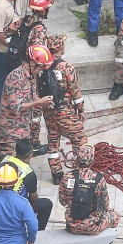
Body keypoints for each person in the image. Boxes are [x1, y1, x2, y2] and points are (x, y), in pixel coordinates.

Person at [57, 145, 119, 244]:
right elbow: (104, 205)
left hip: (71, 225)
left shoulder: (67, 177)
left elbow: (63, 201)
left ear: (76, 160)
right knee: (114, 216)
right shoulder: (98, 179)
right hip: (91, 227)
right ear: (92, 161)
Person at [40, 34, 87, 184]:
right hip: (65, 111)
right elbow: (75, 92)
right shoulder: (67, 67)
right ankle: (82, 171)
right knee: (79, 139)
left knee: (53, 140)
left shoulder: (42, 65)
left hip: (48, 110)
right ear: (60, 47)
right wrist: (80, 109)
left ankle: (56, 175)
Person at [11, 0, 54, 153]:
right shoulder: (40, 30)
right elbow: (37, 53)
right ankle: (33, 143)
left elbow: (7, 31)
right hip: (32, 72)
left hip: (19, 65)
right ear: (43, 11)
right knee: (36, 108)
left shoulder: (24, 20)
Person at [0, 45, 55, 158]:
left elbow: (30, 97)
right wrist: (39, 103)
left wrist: (44, 102)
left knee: (23, 165)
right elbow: (16, 108)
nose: (41, 71)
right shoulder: (15, 78)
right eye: (41, 67)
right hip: (10, 132)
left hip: (24, 130)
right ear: (33, 64)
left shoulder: (31, 76)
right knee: (7, 168)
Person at [0, 139, 53, 230]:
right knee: (47, 204)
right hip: (13, 208)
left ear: (16, 151)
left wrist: (1, 181)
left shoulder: (4, 159)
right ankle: (38, 231)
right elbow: (34, 198)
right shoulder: (28, 173)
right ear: (30, 155)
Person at [0, 0, 27, 118]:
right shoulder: (0, 8)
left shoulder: (17, 0)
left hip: (18, 47)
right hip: (5, 51)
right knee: (2, 82)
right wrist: (11, 46)